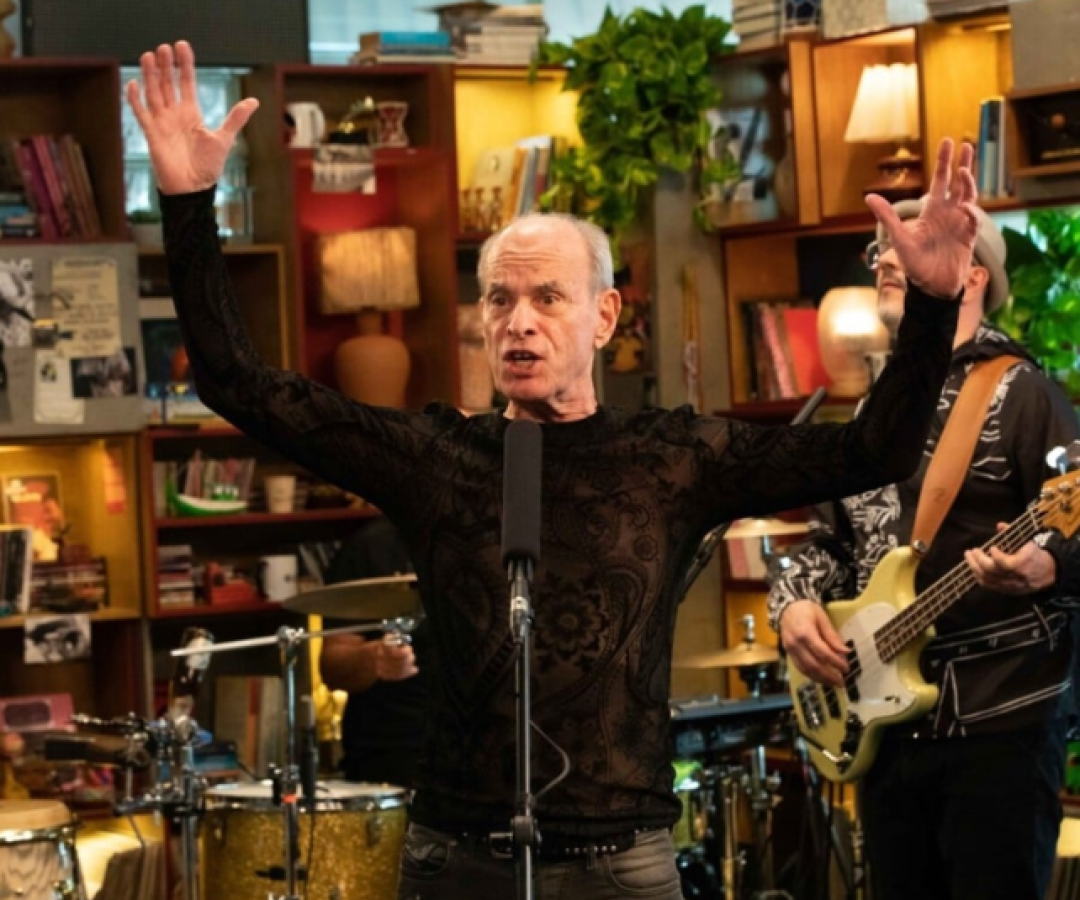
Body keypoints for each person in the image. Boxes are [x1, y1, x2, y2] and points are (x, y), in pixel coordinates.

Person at [127, 41, 979, 900]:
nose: (519, 323)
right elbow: (239, 384)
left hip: (624, 863)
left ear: (605, 315)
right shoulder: (435, 458)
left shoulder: (672, 458)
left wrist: (935, 305)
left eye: (547, 299)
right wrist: (189, 203)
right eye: (499, 300)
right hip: (455, 859)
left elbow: (873, 451)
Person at [768, 199, 1080, 900]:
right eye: (880, 247)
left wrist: (1050, 564)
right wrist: (791, 609)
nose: (884, 257)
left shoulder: (1022, 395)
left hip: (1000, 725)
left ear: (970, 274)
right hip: (882, 729)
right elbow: (823, 545)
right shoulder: (869, 413)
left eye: (904, 247)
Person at [319, 517, 430, 788]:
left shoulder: (504, 543)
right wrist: (374, 657)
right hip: (393, 752)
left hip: (492, 748)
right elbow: (333, 666)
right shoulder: (372, 546)